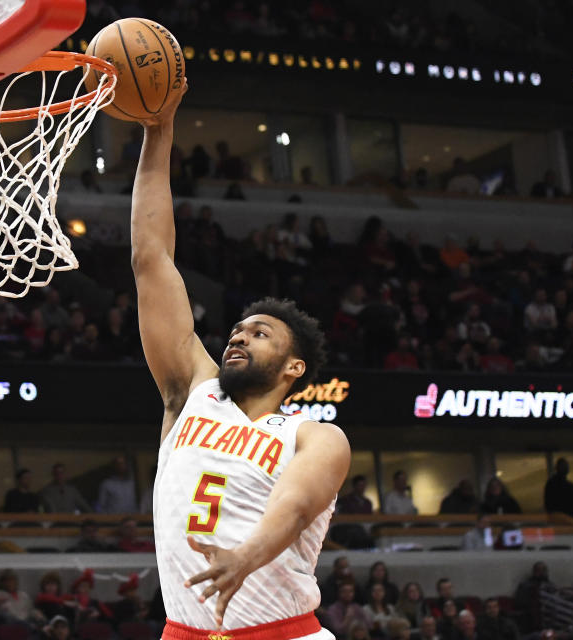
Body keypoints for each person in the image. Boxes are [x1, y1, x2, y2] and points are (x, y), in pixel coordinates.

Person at [131, 79, 349, 637]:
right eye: (236, 329)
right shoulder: (190, 393)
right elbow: (151, 258)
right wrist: (160, 132)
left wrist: (244, 557)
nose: (238, 337)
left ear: (293, 367)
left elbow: (298, 505)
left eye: (260, 333)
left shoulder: (313, 436)